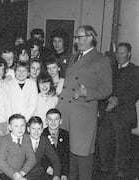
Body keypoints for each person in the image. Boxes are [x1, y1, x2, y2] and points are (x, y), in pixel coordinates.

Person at [56, 25, 112, 180]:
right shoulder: (74, 57)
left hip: (83, 115)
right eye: (76, 37)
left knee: (83, 156)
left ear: (90, 38)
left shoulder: (101, 60)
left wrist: (88, 92)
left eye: (79, 37)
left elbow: (107, 89)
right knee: (70, 156)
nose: (76, 41)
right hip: (67, 112)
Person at [98, 42, 139, 179]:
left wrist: (116, 101)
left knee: (122, 144)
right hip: (107, 113)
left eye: (122, 53)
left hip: (123, 114)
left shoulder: (136, 71)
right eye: (118, 53)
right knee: (104, 141)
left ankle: (120, 171)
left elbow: (134, 93)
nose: (119, 56)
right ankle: (104, 168)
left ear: (129, 54)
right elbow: (104, 87)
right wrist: (107, 101)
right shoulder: (111, 69)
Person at [0, 114, 36, 180]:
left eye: (22, 125)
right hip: (5, 173)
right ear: (9, 127)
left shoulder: (26, 138)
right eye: (16, 126)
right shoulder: (4, 140)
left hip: (21, 172)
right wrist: (15, 175)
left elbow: (32, 159)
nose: (20, 129)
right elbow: (1, 162)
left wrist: (22, 173)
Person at [42, 109, 70, 180]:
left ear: (60, 121)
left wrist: (64, 173)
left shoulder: (65, 135)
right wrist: (46, 167)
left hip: (60, 172)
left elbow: (66, 155)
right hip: (45, 170)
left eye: (56, 119)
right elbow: (38, 154)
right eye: (50, 119)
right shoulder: (41, 134)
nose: (53, 122)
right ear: (46, 121)